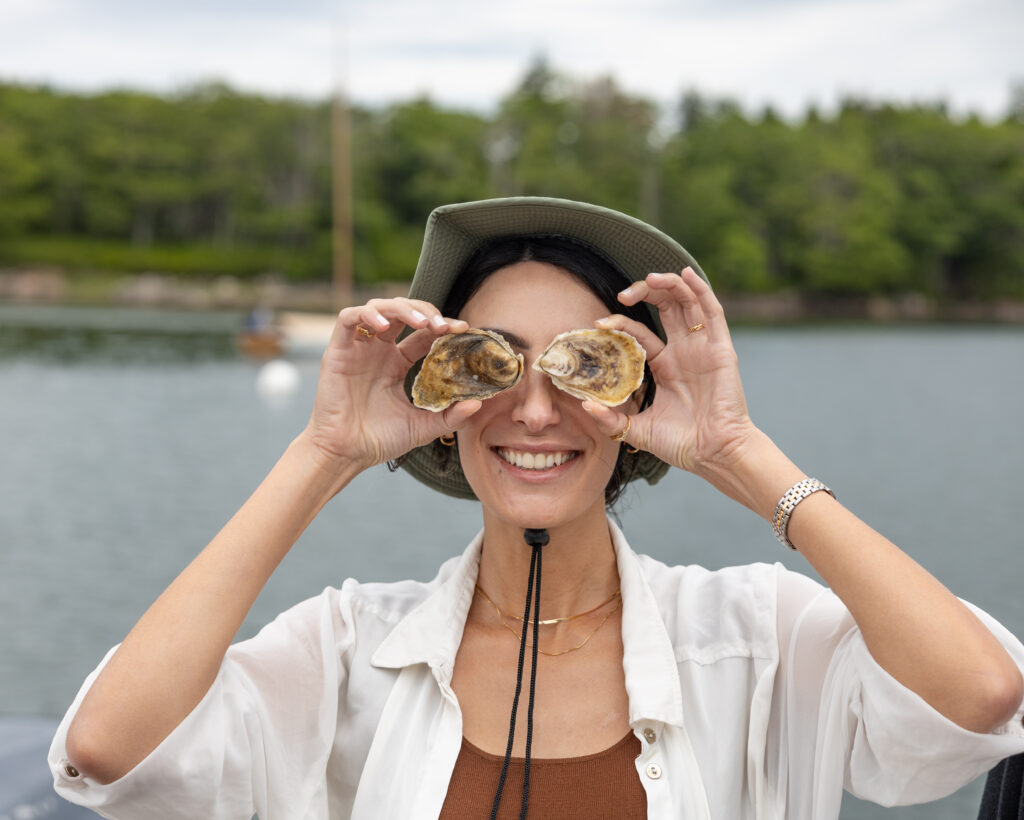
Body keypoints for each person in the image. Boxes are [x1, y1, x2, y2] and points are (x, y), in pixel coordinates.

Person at [50, 197, 1024, 819]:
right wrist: (322, 452)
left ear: (635, 403)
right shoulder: (348, 650)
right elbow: (107, 752)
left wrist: (738, 452)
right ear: (440, 395)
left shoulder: (753, 638)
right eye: (491, 360)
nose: (533, 405)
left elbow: (980, 697)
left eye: (586, 364)